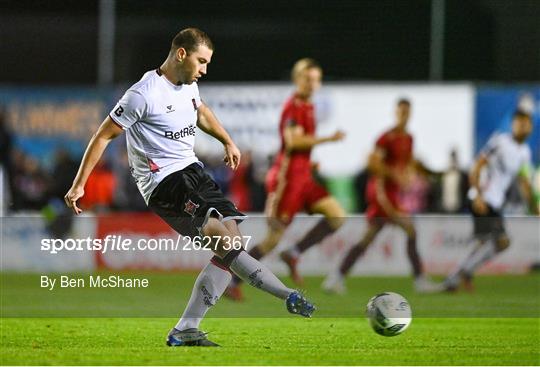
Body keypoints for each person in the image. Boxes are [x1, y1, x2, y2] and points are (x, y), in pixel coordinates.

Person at [64, 28, 315, 347]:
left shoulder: (189, 85)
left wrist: (226, 140)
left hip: (193, 172)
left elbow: (201, 111)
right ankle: (287, 295)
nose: (204, 70)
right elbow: (102, 135)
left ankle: (186, 329)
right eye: (201, 61)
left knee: (232, 243)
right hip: (164, 183)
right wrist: (78, 185)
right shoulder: (143, 94)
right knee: (224, 241)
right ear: (181, 54)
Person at [224, 58, 346, 301]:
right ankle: (232, 281)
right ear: (297, 79)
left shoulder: (309, 107)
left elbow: (298, 148)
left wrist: (308, 163)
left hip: (304, 177)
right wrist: (328, 139)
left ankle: (294, 252)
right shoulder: (293, 107)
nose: (312, 84)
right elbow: (293, 142)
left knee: (337, 216)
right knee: (272, 239)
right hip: (287, 180)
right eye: (307, 79)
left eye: (316, 80)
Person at [322, 99, 441, 294]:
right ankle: (419, 280)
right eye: (400, 111)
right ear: (395, 113)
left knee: (369, 237)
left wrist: (410, 175)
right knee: (410, 230)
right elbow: (372, 163)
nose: (403, 115)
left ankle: (336, 276)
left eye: (407, 112)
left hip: (394, 194)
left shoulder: (409, 138)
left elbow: (407, 162)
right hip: (381, 193)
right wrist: (394, 174)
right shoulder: (386, 138)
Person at [443, 110, 538, 291]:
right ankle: (460, 275)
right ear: (513, 124)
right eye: (519, 123)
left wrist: (534, 207)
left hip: (495, 203)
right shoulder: (500, 141)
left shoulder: (524, 152)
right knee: (497, 241)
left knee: (489, 242)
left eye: (526, 124)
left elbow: (523, 181)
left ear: (531, 127)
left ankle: (458, 276)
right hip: (482, 199)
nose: (522, 127)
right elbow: (477, 165)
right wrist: (477, 195)